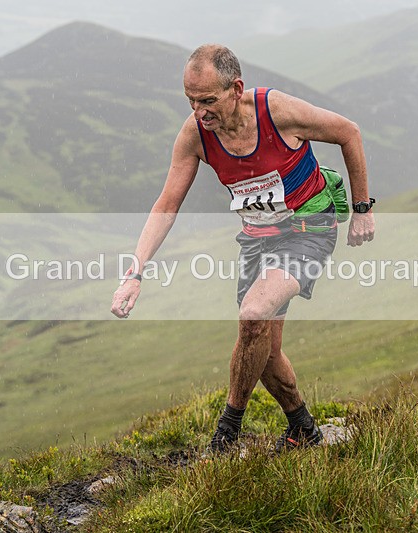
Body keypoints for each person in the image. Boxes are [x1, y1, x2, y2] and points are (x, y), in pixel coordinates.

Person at [111, 44, 375, 454]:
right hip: (257, 238)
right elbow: (166, 205)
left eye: (207, 100)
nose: (199, 112)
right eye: (190, 100)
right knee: (264, 348)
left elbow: (349, 132)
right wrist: (135, 273)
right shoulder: (195, 134)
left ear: (236, 89)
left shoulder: (276, 111)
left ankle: (226, 434)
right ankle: (303, 428)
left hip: (308, 227)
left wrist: (361, 210)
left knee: (253, 315)